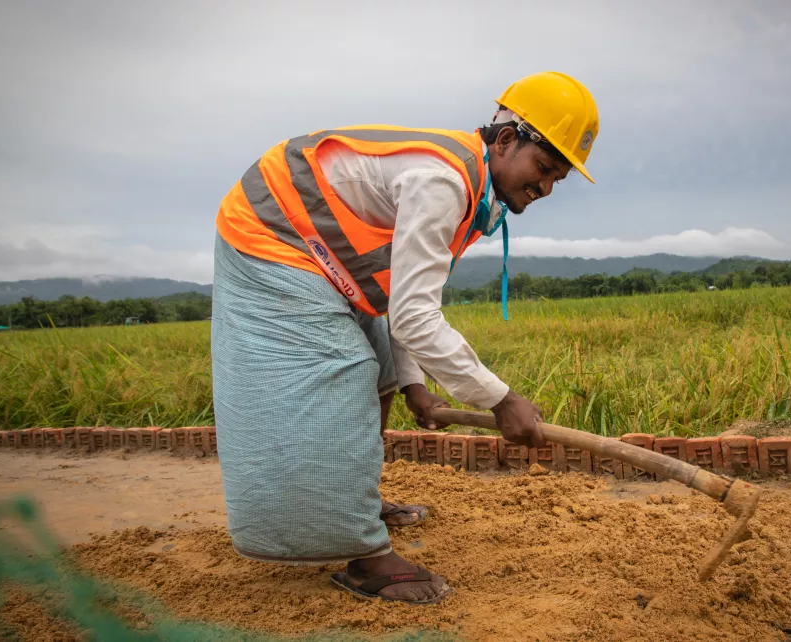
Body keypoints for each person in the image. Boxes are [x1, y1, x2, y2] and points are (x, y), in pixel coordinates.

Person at [210, 71, 599, 605]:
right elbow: (417, 315)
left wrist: (415, 384)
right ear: (507, 140)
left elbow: (401, 298)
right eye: (544, 168)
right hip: (272, 231)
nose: (547, 187)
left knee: (384, 367)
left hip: (320, 255)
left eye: (559, 178)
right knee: (345, 367)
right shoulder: (443, 182)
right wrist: (500, 400)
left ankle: (356, 506)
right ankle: (367, 559)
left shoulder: (470, 187)